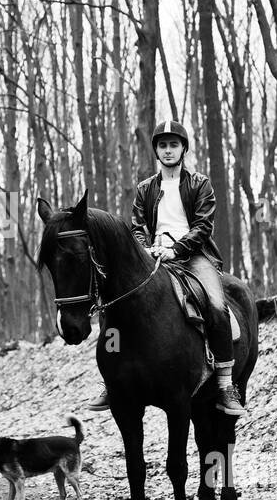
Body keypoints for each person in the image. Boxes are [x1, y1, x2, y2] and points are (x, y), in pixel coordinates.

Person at [86, 119, 247, 417]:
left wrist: (176, 249)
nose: (168, 150)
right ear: (156, 151)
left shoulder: (200, 183)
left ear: (183, 148)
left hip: (195, 256)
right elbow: (137, 228)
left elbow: (202, 227)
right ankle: (112, 379)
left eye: (174, 144)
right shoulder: (145, 188)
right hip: (153, 256)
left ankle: (225, 384)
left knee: (215, 303)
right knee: (116, 305)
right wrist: (145, 249)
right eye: (163, 145)